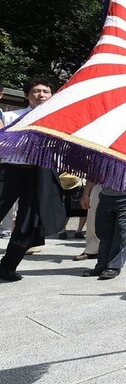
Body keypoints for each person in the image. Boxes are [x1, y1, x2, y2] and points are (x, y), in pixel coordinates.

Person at [0, 77, 67, 281]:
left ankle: (7, 267)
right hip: (9, 171)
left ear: (52, 95)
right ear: (27, 95)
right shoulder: (11, 116)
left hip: (40, 175)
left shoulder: (59, 121)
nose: (41, 95)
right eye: (36, 91)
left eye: (46, 91)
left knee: (29, 224)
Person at [80, 188, 126, 280]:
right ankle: (102, 265)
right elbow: (94, 175)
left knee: (122, 232)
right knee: (103, 231)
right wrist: (86, 193)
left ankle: (114, 266)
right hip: (106, 196)